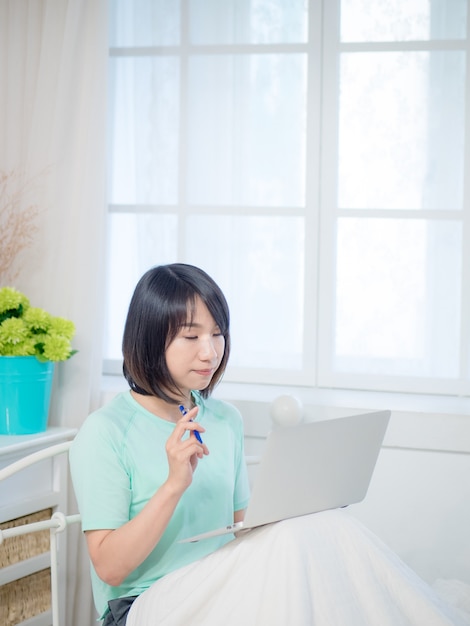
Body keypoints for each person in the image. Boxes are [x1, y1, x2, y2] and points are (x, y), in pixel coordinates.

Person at [70, 263, 470, 626]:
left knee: (328, 525)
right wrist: (174, 484)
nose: (209, 352)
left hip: (223, 581)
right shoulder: (105, 431)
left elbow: (245, 532)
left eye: (217, 334)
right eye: (191, 336)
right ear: (150, 339)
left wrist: (305, 509)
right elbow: (110, 568)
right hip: (144, 605)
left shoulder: (225, 420)